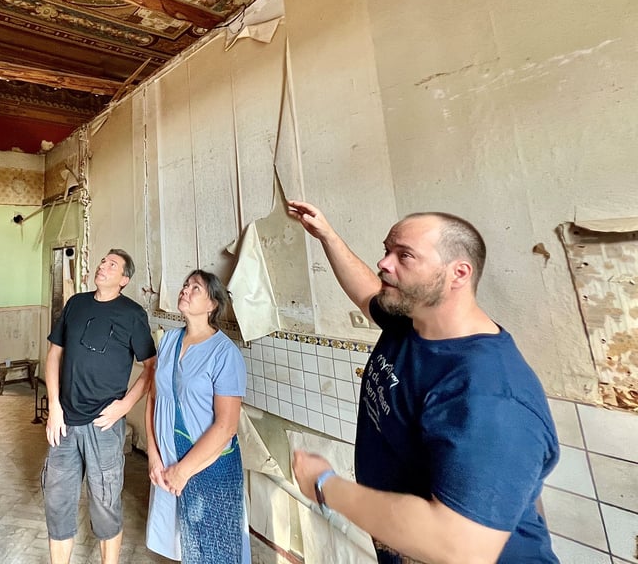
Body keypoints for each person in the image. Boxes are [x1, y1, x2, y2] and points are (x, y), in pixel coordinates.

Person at [286, 201, 560, 564]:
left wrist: (326, 486)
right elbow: (368, 295)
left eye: (405, 255)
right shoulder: (413, 322)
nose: (384, 263)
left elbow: (461, 548)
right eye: (387, 251)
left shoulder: (487, 393)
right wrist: (327, 236)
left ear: (458, 274)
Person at [43, 248, 157, 564]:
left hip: (103, 426)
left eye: (112, 265)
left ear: (124, 279)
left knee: (105, 502)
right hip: (64, 422)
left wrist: (125, 406)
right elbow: (54, 355)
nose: (103, 267)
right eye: (102, 262)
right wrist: (54, 406)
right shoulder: (76, 304)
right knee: (57, 501)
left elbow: (151, 366)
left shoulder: (132, 314)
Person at [145, 270, 250, 564]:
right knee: (180, 544)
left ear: (212, 305)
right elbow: (154, 400)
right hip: (167, 462)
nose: (185, 291)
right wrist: (154, 456)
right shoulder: (168, 342)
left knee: (214, 548)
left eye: (195, 288)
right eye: (184, 285)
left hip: (208, 468)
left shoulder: (224, 354)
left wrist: (183, 470)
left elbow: (226, 426)